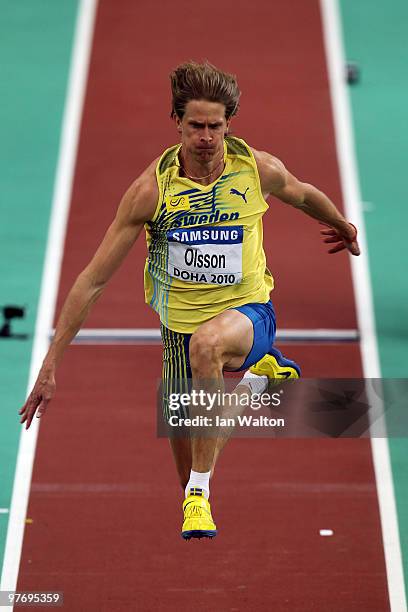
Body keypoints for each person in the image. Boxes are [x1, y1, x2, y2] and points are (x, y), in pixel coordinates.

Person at [19, 61, 360, 540]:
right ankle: (256, 385)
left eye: (215, 126)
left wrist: (343, 225)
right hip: (177, 329)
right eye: (195, 125)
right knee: (187, 461)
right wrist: (51, 363)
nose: (205, 136)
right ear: (176, 122)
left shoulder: (255, 168)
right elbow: (93, 280)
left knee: (208, 348)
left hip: (249, 312)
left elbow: (302, 194)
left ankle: (202, 494)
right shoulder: (150, 192)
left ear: (228, 124)